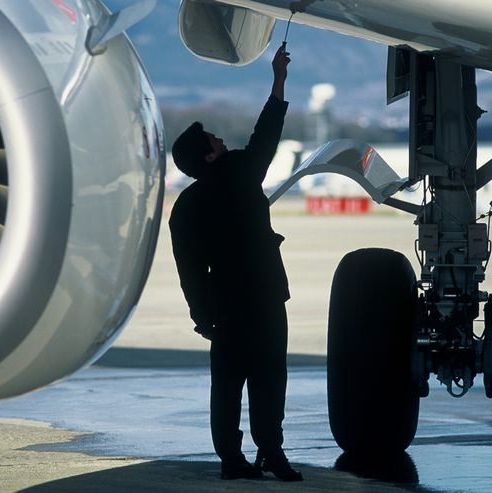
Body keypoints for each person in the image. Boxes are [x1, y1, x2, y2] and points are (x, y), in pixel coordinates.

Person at [169, 44, 302, 482]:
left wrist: (202, 316)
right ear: (209, 155)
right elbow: (267, 134)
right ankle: (272, 453)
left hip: (223, 308)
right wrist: (278, 79)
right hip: (264, 298)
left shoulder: (185, 207)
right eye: (213, 138)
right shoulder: (242, 173)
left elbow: (189, 272)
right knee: (270, 380)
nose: (220, 137)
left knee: (226, 387)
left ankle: (231, 459)